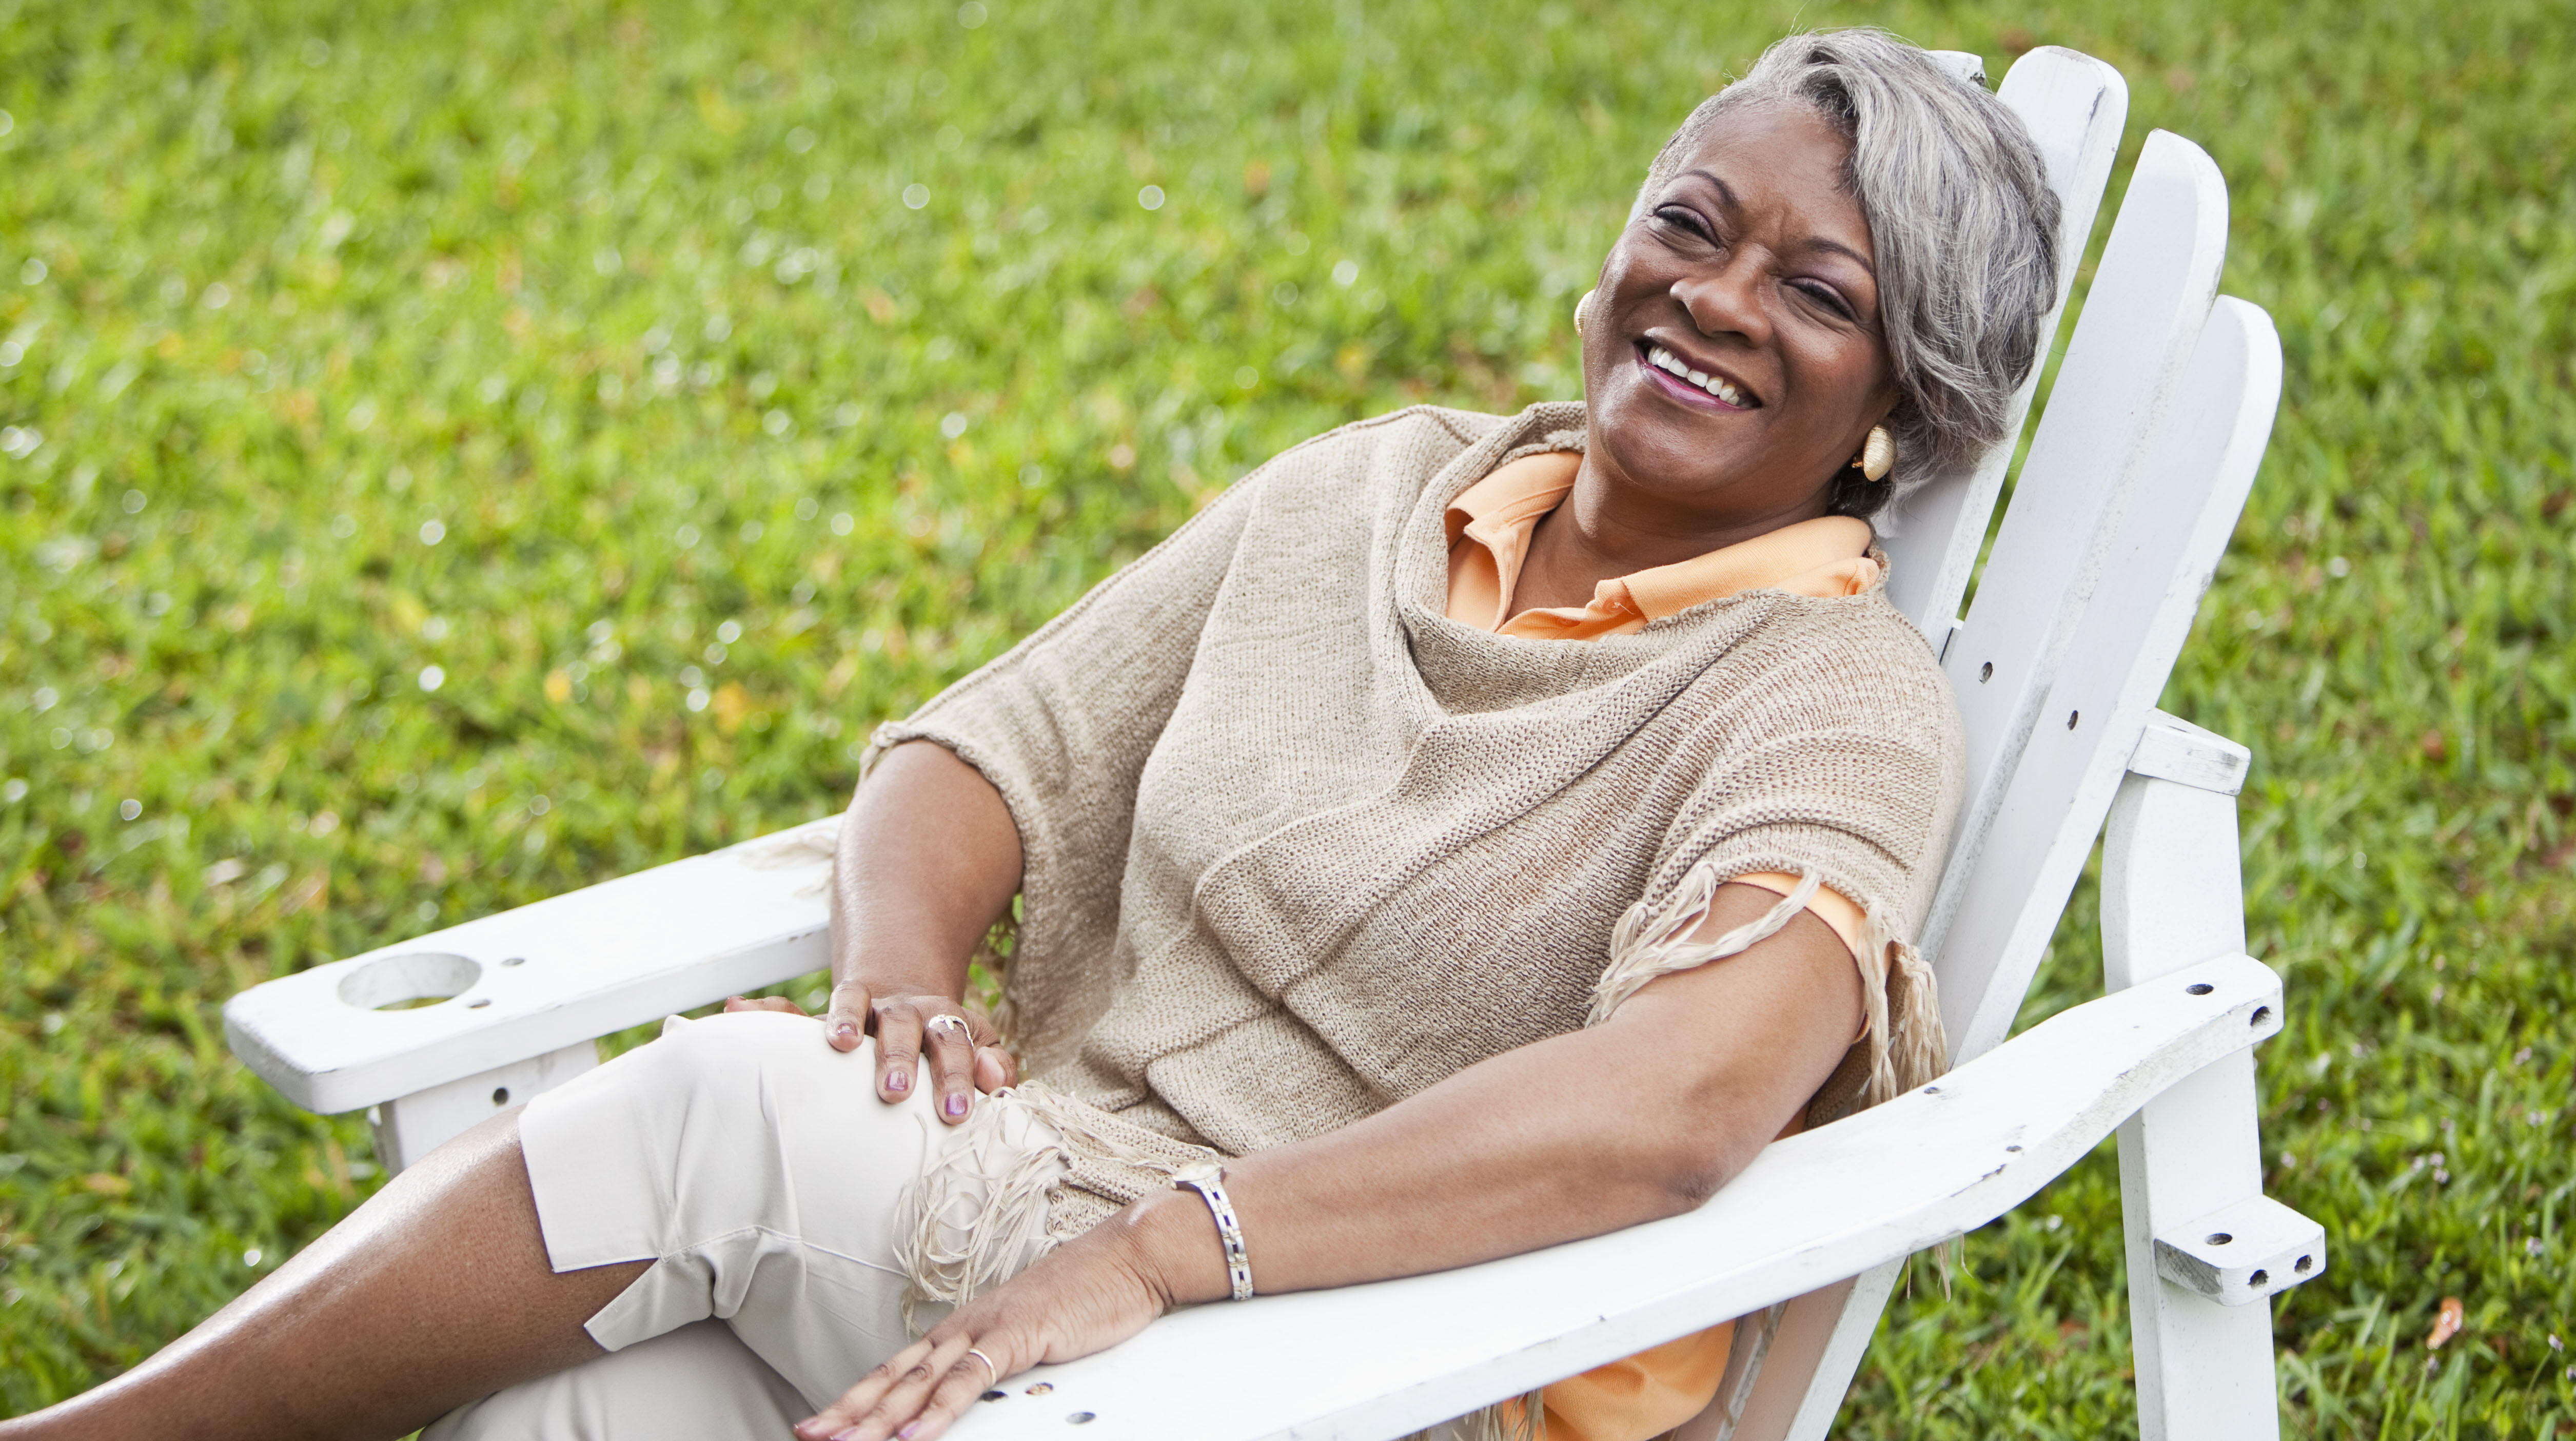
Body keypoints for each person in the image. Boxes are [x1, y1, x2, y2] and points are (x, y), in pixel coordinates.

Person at [2, 28, 2057, 1441]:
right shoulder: (1377, 492)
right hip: (1054, 1215)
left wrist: (1183, 1248)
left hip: (1371, 1356)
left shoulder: (1830, 703)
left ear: (1901, 402)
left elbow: (1671, 1108)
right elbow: (989, 750)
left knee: (726, 1107)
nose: (1712, 298)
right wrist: (899, 978)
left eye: (1819, 291)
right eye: (1691, 226)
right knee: (576, 1410)